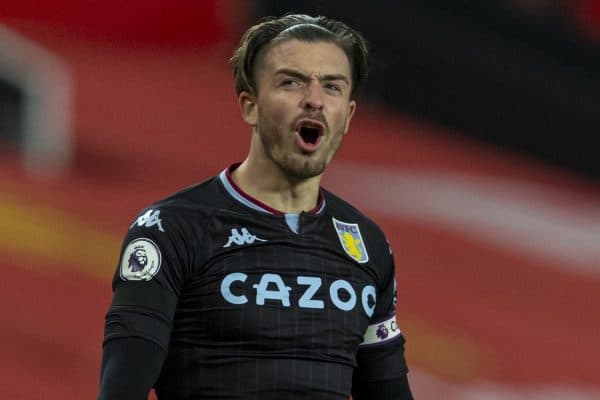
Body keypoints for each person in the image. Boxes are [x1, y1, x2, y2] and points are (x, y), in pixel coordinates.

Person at [97, 13, 414, 400]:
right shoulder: (174, 229)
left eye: (332, 87)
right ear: (250, 106)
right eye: (291, 82)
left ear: (346, 116)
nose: (314, 99)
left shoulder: (367, 244)